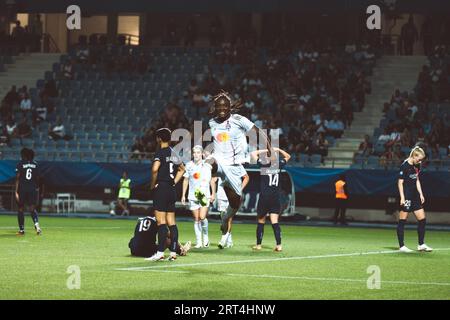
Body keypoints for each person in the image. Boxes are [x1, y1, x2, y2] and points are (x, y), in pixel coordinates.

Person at [204, 90, 271, 249]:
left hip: (234, 167)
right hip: (219, 162)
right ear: (215, 107)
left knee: (236, 203)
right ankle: (208, 178)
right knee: (209, 162)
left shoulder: (239, 120)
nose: (221, 109)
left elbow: (258, 132)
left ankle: (225, 218)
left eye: (224, 106)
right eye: (219, 106)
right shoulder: (212, 123)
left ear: (229, 108)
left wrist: (269, 148)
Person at [146, 128, 185, 261]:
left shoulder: (160, 153)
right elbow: (182, 169)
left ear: (159, 138)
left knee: (161, 223)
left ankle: (160, 252)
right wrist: (174, 182)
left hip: (161, 188)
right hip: (171, 189)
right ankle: (173, 252)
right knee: (172, 223)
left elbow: (155, 169)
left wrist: (152, 186)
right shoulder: (173, 153)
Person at [251, 147, 290, 252]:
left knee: (261, 220)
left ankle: (259, 245)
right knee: (275, 221)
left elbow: (253, 154)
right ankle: (279, 245)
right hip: (275, 198)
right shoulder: (279, 165)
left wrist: (265, 150)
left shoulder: (264, 165)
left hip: (264, 197)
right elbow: (288, 156)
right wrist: (278, 149)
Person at [397, 146, 432, 252]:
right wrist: (402, 197)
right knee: (402, 220)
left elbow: (417, 180)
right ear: (414, 155)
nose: (420, 161)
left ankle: (421, 244)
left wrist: (421, 194)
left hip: (415, 196)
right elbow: (400, 183)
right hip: (407, 196)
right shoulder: (404, 166)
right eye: (419, 158)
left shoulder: (417, 166)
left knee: (422, 219)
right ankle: (402, 246)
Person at [181, 145, 215, 248]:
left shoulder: (207, 165)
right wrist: (183, 195)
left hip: (203, 194)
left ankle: (206, 237)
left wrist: (213, 193)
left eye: (198, 152)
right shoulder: (189, 165)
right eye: (194, 152)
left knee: (202, 217)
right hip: (192, 195)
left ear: (202, 154)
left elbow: (212, 180)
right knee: (196, 219)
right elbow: (186, 180)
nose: (196, 154)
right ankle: (199, 242)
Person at [15, 148, 42, 235]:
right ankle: (37, 227)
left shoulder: (20, 164)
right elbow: (37, 178)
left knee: (20, 208)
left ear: (24, 155)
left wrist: (16, 191)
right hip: (32, 189)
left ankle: (22, 230)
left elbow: (17, 178)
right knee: (32, 209)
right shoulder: (36, 164)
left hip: (22, 189)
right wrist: (37, 188)